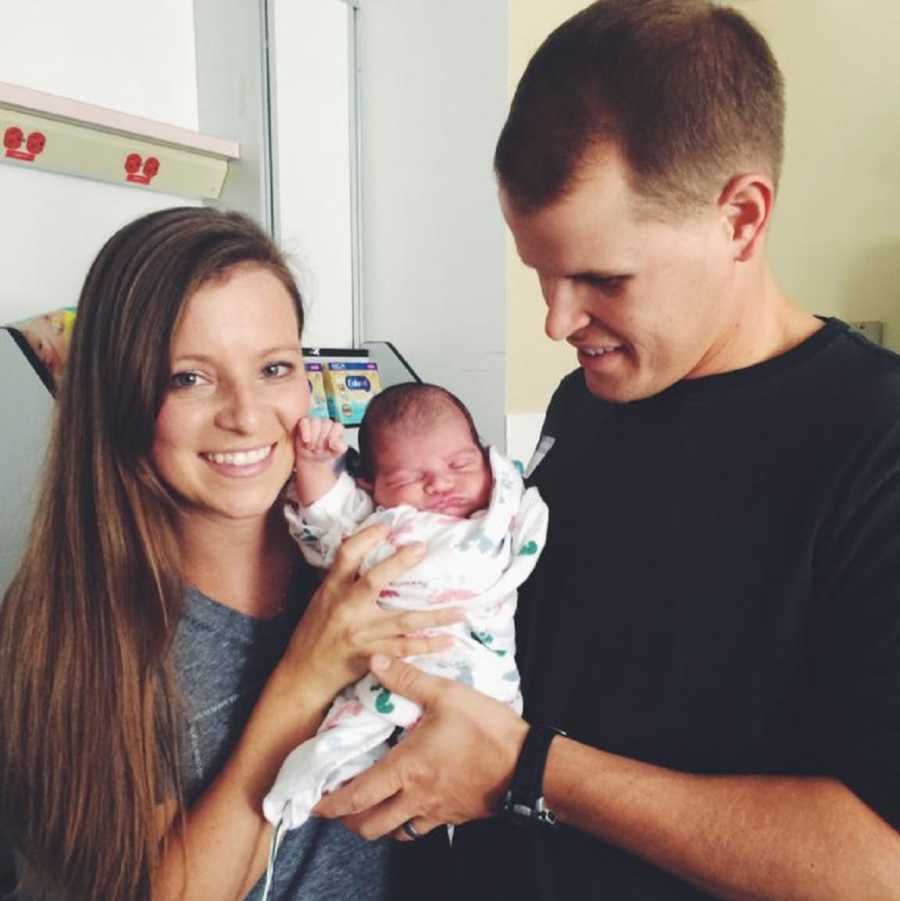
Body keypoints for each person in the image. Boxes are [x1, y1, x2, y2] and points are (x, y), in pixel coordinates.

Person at [312, 1, 900, 898]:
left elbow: (877, 864)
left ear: (741, 218)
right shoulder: (586, 402)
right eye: (541, 273)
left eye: (603, 278)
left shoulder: (876, 444)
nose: (557, 320)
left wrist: (528, 771)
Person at [0, 206, 464, 901]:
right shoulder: (68, 629)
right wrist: (306, 677)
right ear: (119, 394)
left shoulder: (361, 542)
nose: (247, 414)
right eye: (190, 377)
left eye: (275, 367)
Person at [262, 384, 548, 835]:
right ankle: (317, 785)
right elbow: (325, 519)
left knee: (488, 749)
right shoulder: (377, 523)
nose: (439, 483)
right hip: (391, 665)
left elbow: (532, 526)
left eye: (459, 464)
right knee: (350, 738)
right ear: (371, 488)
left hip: (481, 668)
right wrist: (315, 465)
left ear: (487, 459)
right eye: (405, 479)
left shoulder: (500, 512)